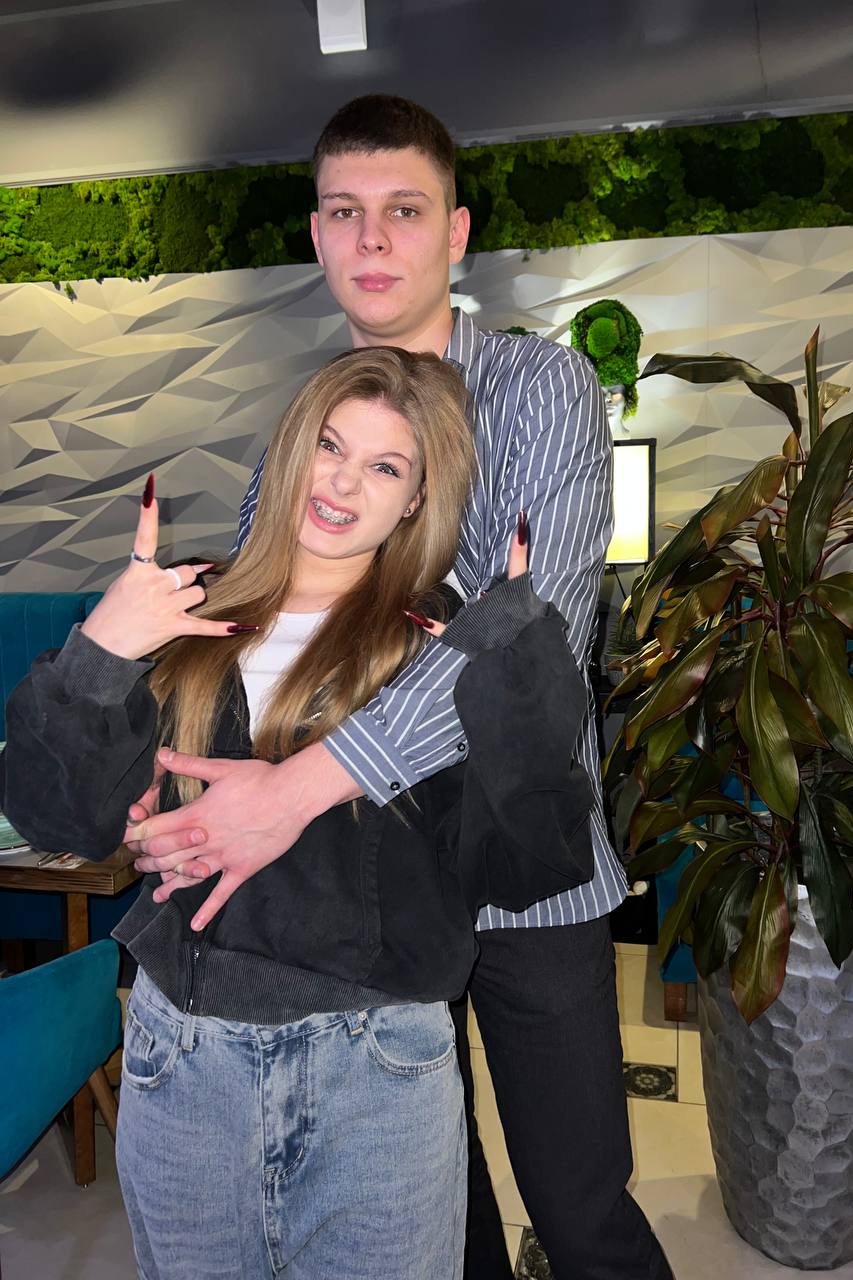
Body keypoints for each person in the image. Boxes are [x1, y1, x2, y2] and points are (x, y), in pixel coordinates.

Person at [123, 97, 674, 1280]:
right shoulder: (317, 416)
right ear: (317, 235)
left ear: (457, 232)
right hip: (369, 884)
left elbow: (530, 646)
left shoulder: (541, 386)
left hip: (521, 872)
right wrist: (169, 780)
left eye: (405, 211)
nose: (372, 239)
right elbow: (260, 628)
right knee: (437, 1211)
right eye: (344, 212)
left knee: (581, 1208)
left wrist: (296, 786)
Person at [1, 347, 595, 1280]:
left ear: (417, 500)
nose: (344, 482)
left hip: (377, 1077)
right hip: (182, 1063)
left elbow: (523, 866)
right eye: (329, 445)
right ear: (288, 451)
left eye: (385, 467)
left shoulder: (439, 648)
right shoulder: (184, 612)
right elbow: (59, 819)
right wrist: (102, 647)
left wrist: (520, 686)